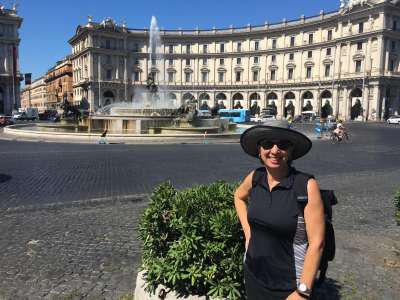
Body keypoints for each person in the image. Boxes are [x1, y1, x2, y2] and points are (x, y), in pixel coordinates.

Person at [234, 120, 325, 300]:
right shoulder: (255, 177)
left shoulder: (306, 186)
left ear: (291, 151)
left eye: (283, 145)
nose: (275, 150)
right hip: (253, 274)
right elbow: (238, 197)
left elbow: (317, 243)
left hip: (288, 285)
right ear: (259, 150)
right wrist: (248, 232)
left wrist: (303, 291)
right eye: (267, 144)